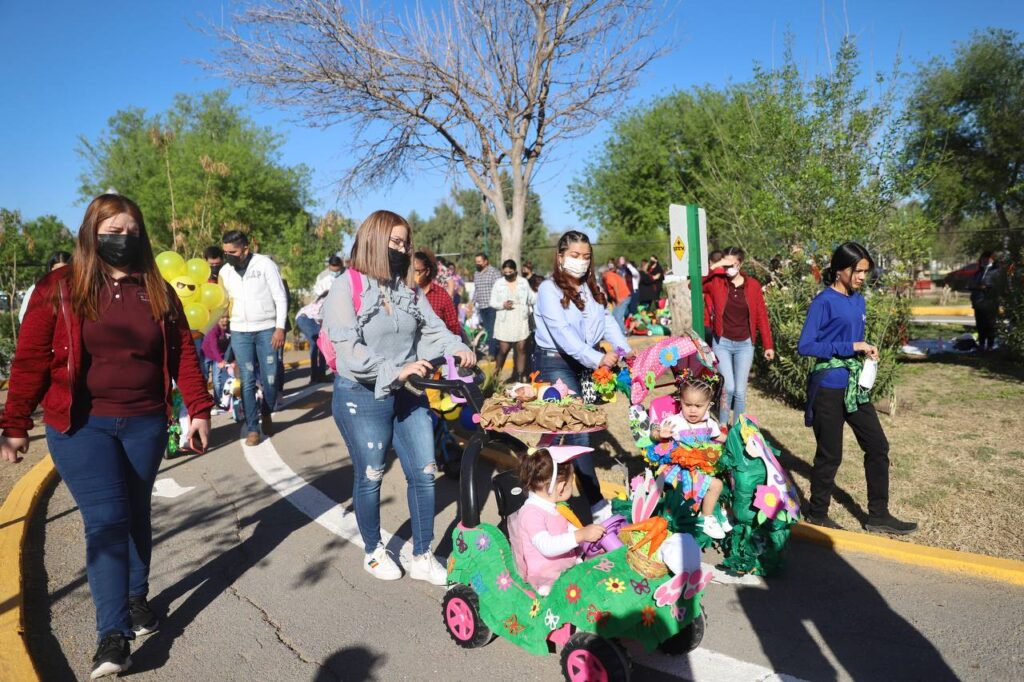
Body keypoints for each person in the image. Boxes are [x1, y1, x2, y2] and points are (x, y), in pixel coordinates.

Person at [0, 194, 213, 678]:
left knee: (136, 513)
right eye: (112, 229)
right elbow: (31, 359)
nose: (123, 237)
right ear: (91, 234)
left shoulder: (155, 288)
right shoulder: (61, 286)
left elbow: (182, 352)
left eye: (131, 229)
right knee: (108, 520)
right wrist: (14, 423)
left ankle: (136, 598)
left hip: (145, 422)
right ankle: (112, 635)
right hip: (79, 425)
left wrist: (198, 408)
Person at [322, 210, 474, 584]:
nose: (403, 250)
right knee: (371, 474)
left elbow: (434, 330)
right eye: (396, 243)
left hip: (409, 393)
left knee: (425, 472)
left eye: (406, 243)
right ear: (374, 241)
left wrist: (457, 348)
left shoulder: (408, 290)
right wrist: (395, 370)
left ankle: (422, 554)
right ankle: (373, 550)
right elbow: (347, 350)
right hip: (362, 393)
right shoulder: (347, 287)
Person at [797, 241, 917, 535]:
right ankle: (818, 513)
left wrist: (866, 352)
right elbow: (806, 345)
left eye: (865, 271)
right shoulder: (823, 301)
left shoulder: (858, 300)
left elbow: (855, 341)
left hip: (854, 386)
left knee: (877, 446)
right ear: (840, 270)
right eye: (858, 270)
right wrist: (849, 346)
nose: (863, 276)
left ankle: (879, 516)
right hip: (828, 386)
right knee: (831, 454)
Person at [533, 231, 632, 519]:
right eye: (574, 256)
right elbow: (563, 335)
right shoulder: (549, 290)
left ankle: (534, 486)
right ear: (560, 256)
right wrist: (598, 357)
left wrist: (625, 351)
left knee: (554, 433)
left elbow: (605, 320)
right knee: (580, 430)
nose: (581, 262)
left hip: (582, 363)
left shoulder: (590, 288)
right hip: (554, 362)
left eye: (586, 257)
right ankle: (597, 505)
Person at [219, 230, 288, 445]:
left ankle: (266, 411)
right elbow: (223, 301)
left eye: (232, 251)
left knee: (270, 378)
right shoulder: (225, 272)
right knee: (246, 380)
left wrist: (280, 328)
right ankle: (252, 427)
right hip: (240, 331)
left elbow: (280, 296)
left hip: (267, 329)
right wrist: (222, 316)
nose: (228, 255)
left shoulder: (264, 264)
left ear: (245, 249)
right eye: (225, 252)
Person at [507, 448, 606, 595]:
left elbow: (570, 530)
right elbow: (546, 545)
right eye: (571, 481)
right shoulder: (531, 513)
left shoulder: (556, 507)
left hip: (565, 568)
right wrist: (581, 535)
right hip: (546, 579)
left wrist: (592, 540)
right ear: (560, 487)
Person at [652, 375, 729, 538]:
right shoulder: (676, 421)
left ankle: (717, 513)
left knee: (724, 481)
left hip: (703, 466)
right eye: (688, 404)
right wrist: (659, 434)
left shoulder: (710, 423)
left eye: (699, 406)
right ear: (680, 401)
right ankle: (706, 518)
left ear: (709, 405)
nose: (693, 410)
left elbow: (720, 438)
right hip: (682, 469)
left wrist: (737, 438)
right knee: (716, 485)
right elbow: (654, 432)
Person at [704, 247, 775, 425]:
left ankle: (737, 430)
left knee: (740, 391)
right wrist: (717, 266)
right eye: (726, 264)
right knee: (729, 387)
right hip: (722, 343)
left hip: (745, 344)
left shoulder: (753, 286)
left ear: (740, 263)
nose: (729, 268)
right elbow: (694, 285)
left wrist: (768, 345)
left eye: (732, 264)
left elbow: (761, 316)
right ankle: (722, 426)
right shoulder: (717, 282)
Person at [489, 259, 536, 382]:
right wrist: (503, 305)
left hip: (520, 318)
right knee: (503, 349)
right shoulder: (498, 283)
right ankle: (496, 375)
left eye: (510, 272)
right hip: (505, 319)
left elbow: (532, 298)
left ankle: (521, 376)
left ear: (515, 271)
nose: (508, 274)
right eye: (505, 272)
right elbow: (492, 302)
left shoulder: (523, 282)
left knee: (521, 347)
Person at [414, 248, 461, 337]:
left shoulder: (441, 295)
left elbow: (453, 326)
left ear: (427, 271)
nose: (413, 275)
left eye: (417, 271)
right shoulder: (403, 292)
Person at [18, 250, 71, 323]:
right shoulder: (38, 289)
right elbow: (23, 317)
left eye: (64, 270)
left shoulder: (77, 291)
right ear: (50, 269)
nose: (60, 274)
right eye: (57, 270)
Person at [969, 251, 1001, 351]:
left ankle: (990, 346)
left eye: (988, 258)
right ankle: (982, 344)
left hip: (990, 303)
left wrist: (987, 287)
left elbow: (999, 287)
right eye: (984, 258)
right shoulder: (978, 272)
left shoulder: (996, 272)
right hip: (978, 303)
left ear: (993, 259)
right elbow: (972, 284)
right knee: (980, 325)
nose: (985, 260)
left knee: (990, 325)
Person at [295, 292, 329, 384]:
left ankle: (316, 376)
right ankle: (320, 376)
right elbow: (321, 318)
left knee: (316, 345)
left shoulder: (324, 298)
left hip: (303, 318)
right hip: (306, 318)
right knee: (322, 344)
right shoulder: (328, 300)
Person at [201, 313, 233, 410]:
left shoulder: (229, 328)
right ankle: (204, 402)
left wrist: (229, 359)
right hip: (207, 354)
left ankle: (218, 402)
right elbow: (213, 346)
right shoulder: (213, 329)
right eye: (222, 317)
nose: (225, 320)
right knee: (204, 378)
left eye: (227, 317)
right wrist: (220, 361)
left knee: (217, 380)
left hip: (218, 356)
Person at [473, 252, 501, 356]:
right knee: (488, 330)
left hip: (492, 307)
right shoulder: (476, 273)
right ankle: (493, 350)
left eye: (479, 262)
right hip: (482, 307)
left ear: (486, 261)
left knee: (491, 330)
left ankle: (492, 354)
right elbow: (476, 290)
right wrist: (472, 303)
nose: (477, 264)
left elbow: (500, 289)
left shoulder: (494, 272)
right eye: (476, 262)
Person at [601, 260, 631, 335]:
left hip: (622, 297)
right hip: (623, 296)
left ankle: (623, 332)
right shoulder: (608, 276)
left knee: (617, 316)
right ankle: (623, 331)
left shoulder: (608, 276)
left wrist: (618, 299)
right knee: (615, 314)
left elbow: (615, 286)